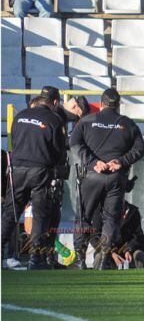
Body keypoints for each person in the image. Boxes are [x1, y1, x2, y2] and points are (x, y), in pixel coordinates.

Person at [70, 88, 144, 270]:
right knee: (111, 219)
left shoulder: (86, 121)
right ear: (118, 105)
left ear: (101, 103)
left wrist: (93, 162)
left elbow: (74, 143)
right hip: (116, 177)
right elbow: (140, 149)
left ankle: (80, 259)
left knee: (84, 218)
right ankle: (105, 258)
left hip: (91, 176)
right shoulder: (128, 123)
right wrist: (121, 161)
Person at [1, 95, 67, 270]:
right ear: (52, 103)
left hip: (18, 169)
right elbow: (59, 151)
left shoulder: (20, 115)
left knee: (10, 213)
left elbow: (13, 140)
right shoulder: (54, 119)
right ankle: (34, 259)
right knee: (39, 215)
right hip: (40, 171)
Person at [37, 87, 94, 269]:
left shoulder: (58, 117)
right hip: (44, 175)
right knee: (44, 218)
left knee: (53, 218)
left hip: (52, 175)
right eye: (77, 111)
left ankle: (48, 259)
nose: (76, 116)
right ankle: (39, 258)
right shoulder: (55, 117)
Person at [92, 201, 144, 269]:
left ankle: (143, 279)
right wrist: (111, 252)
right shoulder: (99, 212)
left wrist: (127, 250)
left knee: (139, 255)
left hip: (129, 251)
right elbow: (95, 237)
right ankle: (97, 279)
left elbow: (139, 236)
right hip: (107, 250)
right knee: (99, 257)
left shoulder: (133, 211)